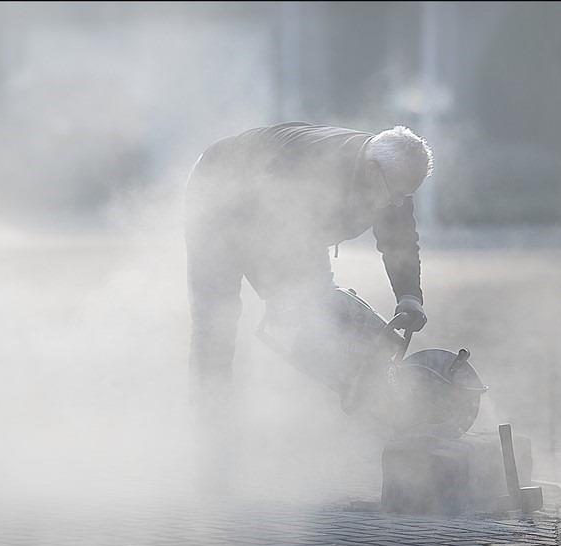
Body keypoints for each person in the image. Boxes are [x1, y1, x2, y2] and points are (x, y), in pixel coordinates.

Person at [185, 122, 433, 417]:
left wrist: (409, 296)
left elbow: (400, 241)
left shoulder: (393, 176)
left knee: (318, 306)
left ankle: (328, 405)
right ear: (371, 170)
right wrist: (277, 291)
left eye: (404, 196)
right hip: (219, 192)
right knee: (218, 310)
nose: (396, 203)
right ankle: (211, 410)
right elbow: (267, 229)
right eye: (393, 194)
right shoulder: (309, 168)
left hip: (285, 221)